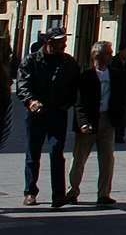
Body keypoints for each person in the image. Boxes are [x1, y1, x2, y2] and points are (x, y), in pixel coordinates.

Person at [17, 28, 79, 207]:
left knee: (56, 153)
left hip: (58, 113)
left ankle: (58, 195)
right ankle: (30, 192)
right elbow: (23, 84)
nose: (64, 44)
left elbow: (75, 86)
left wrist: (67, 103)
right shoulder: (31, 60)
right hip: (36, 114)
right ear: (49, 43)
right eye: (60, 41)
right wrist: (31, 101)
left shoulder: (68, 62)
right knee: (32, 153)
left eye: (64, 41)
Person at [68, 41, 126, 206]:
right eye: (108, 53)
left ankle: (103, 194)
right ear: (98, 56)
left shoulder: (116, 75)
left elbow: (122, 98)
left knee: (107, 159)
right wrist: (83, 123)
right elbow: (78, 103)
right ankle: (72, 191)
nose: (111, 56)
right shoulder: (86, 76)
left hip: (108, 121)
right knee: (79, 158)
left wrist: (121, 119)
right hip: (88, 122)